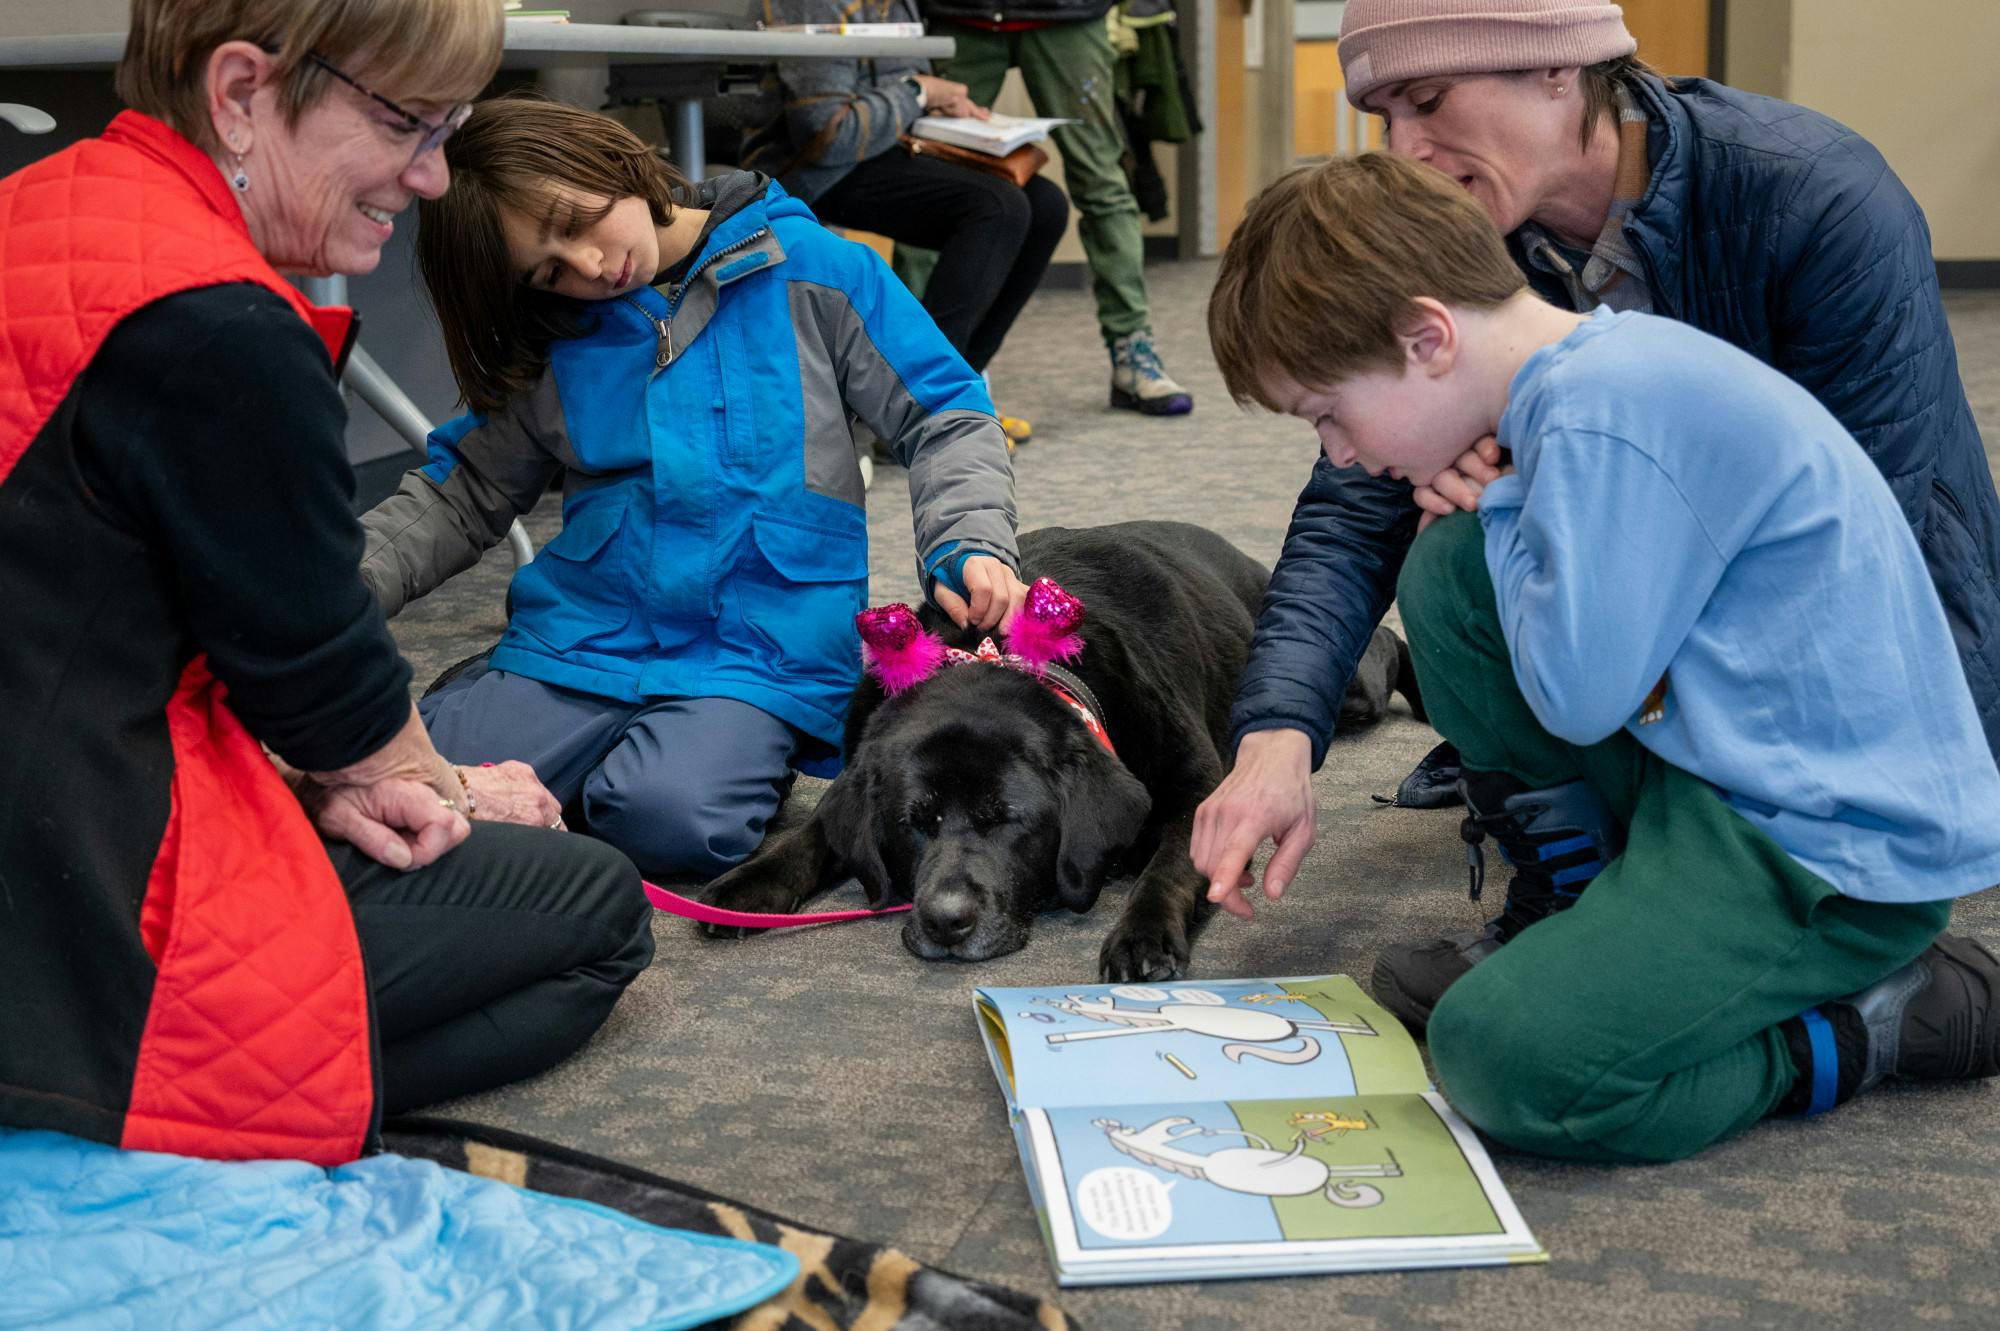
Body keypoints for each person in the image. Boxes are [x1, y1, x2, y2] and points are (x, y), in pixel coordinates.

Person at [1192, 0, 2000, 1031]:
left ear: (1557, 72)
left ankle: (1857, 994)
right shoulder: (1455, 244)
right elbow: (1355, 509)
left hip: (1842, 689)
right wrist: (1275, 734)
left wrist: (1547, 520)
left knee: (1533, 1043)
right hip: (1625, 649)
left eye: (1428, 100)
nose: (1406, 149)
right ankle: (1578, 897)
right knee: (1447, 558)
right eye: (1382, 117)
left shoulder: (1812, 195)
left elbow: (1867, 540)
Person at [0, 0, 655, 1166]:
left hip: (51, 772)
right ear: (243, 93)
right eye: (410, 124)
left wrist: (351, 762)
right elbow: (318, 676)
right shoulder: (219, 324)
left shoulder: (46, 209)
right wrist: (429, 781)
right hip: (74, 885)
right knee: (595, 910)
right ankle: (119, 1101)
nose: (435, 176)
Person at [360, 95, 1024, 885]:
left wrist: (970, 541)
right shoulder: (556, 330)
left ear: (608, 158)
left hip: (757, 654)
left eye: (577, 223)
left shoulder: (820, 271)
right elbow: (460, 490)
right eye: (548, 270)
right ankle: (506, 701)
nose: (591, 268)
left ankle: (707, 754)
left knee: (668, 823)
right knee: (407, 788)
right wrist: (338, 586)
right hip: (583, 642)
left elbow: (946, 412)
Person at [739, 0, 1068, 446]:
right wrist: (919, 92)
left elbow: (904, 100)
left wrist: (948, 111)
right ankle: (924, 408)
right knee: (998, 207)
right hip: (812, 170)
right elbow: (827, 135)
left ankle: (958, 393)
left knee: (1046, 204)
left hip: (888, 150)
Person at [909, 0, 1195, 417]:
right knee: (931, 180)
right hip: (960, 14)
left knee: (1100, 181)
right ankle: (913, 364)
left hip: (1070, 14)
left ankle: (1133, 349)